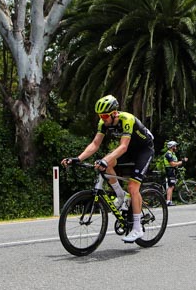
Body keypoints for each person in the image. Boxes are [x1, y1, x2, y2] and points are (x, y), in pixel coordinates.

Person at [61, 95, 155, 243]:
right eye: (100, 116)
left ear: (114, 113)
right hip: (129, 151)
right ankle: (120, 195)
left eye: (105, 115)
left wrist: (105, 160)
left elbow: (123, 146)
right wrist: (78, 158)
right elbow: (95, 144)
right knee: (107, 164)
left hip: (144, 150)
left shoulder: (127, 119)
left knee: (132, 186)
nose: (102, 118)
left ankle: (137, 229)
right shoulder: (103, 123)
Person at [162, 141, 183, 206]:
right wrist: (181, 162)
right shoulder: (168, 154)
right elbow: (173, 164)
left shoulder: (172, 154)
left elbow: (175, 162)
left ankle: (170, 201)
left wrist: (181, 161)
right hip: (170, 171)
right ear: (171, 147)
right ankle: (168, 201)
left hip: (172, 171)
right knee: (170, 186)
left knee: (172, 186)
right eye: (174, 146)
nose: (176, 147)